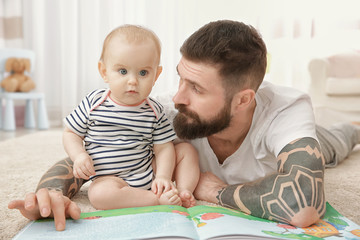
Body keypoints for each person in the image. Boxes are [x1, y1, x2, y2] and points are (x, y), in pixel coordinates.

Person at [8, 20, 360, 230]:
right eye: (180, 79)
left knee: (336, 141)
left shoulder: (288, 110)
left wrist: (216, 193)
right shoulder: (165, 108)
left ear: (243, 99)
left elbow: (303, 204)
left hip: (317, 138)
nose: (178, 97)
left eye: (196, 88)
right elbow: (101, 150)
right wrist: (51, 191)